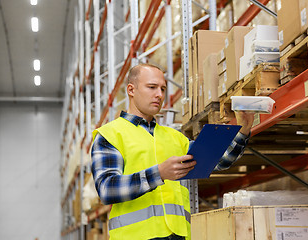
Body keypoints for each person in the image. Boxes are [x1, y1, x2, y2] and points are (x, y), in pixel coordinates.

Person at [91, 63, 254, 240]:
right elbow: (107, 189)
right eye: (152, 87)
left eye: (162, 89)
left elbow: (218, 161)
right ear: (131, 90)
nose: (159, 95)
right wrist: (159, 174)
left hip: (178, 236)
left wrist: (243, 130)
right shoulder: (110, 134)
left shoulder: (174, 137)